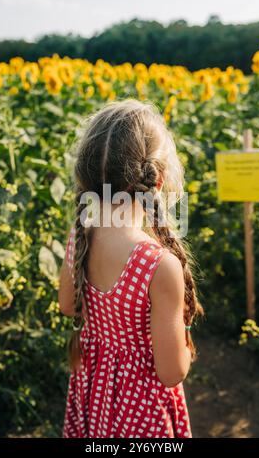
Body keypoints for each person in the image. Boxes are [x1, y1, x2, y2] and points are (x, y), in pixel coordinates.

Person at [59, 99, 203, 438]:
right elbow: (171, 372)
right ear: (157, 180)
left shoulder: (80, 236)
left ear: (87, 175)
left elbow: (68, 306)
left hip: (93, 394)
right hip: (142, 413)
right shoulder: (157, 265)